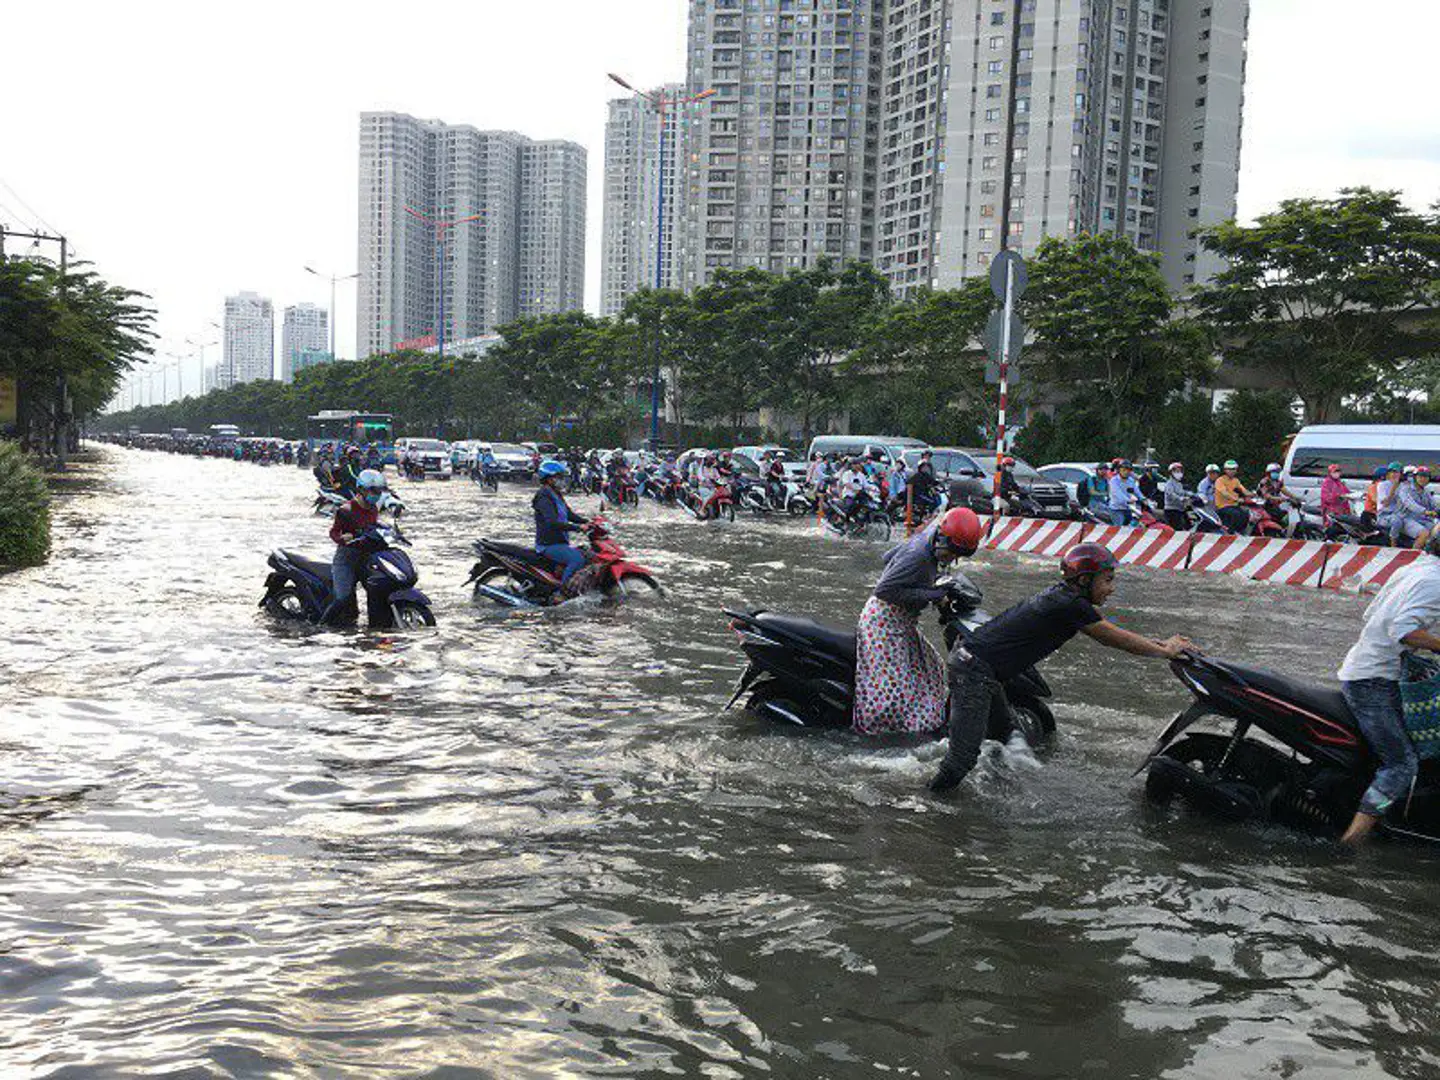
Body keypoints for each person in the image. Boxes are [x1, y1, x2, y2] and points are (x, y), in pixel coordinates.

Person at [929, 544, 1199, 792]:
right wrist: (1165, 651)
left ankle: (1005, 786)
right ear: (1084, 580)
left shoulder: (1069, 599)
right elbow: (1113, 638)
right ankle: (928, 803)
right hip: (974, 671)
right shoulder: (1070, 605)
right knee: (961, 761)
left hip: (981, 667)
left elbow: (1116, 632)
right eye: (1107, 580)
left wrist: (1164, 645)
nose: (1112, 588)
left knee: (1007, 733)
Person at [1335, 550, 1440, 844]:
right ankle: (1350, 843)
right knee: (1402, 765)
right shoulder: (1434, 581)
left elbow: (1372, 614)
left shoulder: (1415, 568)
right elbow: (1404, 631)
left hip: (1368, 670)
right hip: (1373, 681)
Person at [854, 508, 984, 735]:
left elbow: (888, 558)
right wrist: (932, 594)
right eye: (952, 554)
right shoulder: (919, 555)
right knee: (893, 694)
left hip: (904, 622)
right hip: (884, 624)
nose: (953, 559)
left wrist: (928, 585)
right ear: (943, 540)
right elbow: (884, 590)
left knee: (933, 669)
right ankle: (889, 735)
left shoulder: (930, 536)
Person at [318, 469, 388, 625]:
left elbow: (374, 527)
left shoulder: (373, 508)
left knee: (378, 590)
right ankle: (320, 626)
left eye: (379, 491)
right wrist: (342, 538)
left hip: (366, 558)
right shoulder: (346, 510)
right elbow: (334, 532)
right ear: (361, 490)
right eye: (373, 491)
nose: (376, 494)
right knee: (343, 597)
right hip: (346, 560)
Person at [533, 460, 590, 589]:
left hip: (560, 541)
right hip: (548, 544)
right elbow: (552, 523)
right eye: (558, 477)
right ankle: (563, 591)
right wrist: (577, 528)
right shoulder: (543, 497)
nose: (562, 480)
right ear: (548, 479)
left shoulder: (556, 494)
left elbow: (569, 515)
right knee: (577, 559)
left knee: (588, 554)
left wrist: (587, 522)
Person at [1391, 465, 1438, 549]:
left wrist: (1437, 510)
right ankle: (1415, 557)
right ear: (1415, 477)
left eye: (1426, 477)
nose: (1423, 479)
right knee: (1424, 534)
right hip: (1405, 518)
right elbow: (1410, 504)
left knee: (1436, 534)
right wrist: (1425, 511)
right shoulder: (1404, 488)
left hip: (1422, 520)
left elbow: (1434, 505)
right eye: (1421, 476)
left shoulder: (1426, 491)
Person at [1214, 459, 1253, 534]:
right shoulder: (1220, 480)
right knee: (1236, 514)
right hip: (1222, 506)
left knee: (1246, 514)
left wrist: (1255, 494)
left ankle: (1240, 532)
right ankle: (1230, 532)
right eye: (1229, 469)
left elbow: (1244, 491)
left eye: (1234, 469)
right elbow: (1224, 493)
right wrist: (1236, 499)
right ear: (1225, 470)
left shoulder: (1236, 481)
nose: (1232, 471)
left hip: (1233, 505)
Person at [1256, 463, 1300, 527]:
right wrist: (1281, 498)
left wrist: (1295, 497)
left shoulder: (1277, 481)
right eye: (1275, 472)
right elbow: (1267, 496)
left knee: (1285, 515)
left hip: (1275, 505)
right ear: (1268, 473)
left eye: (1278, 472)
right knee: (1281, 518)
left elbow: (1284, 490)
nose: (1277, 473)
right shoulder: (1265, 482)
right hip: (1265, 506)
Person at [1107, 459, 1143, 527]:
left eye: (1128, 470)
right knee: (1120, 529)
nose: (1126, 472)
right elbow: (1119, 495)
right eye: (1124, 470)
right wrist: (1129, 500)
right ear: (1119, 470)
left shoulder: (1130, 480)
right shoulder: (1114, 481)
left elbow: (1137, 491)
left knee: (1135, 523)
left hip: (1127, 508)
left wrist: (1144, 499)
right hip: (1116, 509)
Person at [1162, 462, 1189, 531]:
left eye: (1180, 471)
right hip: (1171, 510)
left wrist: (1192, 495)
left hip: (1180, 509)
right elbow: (1171, 494)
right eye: (1176, 471)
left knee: (1188, 524)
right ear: (1171, 473)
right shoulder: (1169, 483)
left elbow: (1184, 492)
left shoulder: (1179, 484)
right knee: (1177, 529)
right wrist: (1180, 498)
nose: (1179, 473)